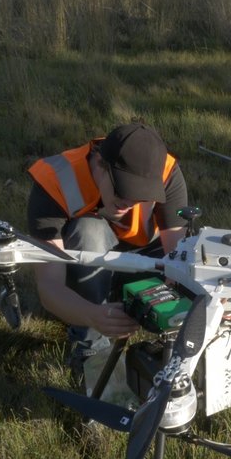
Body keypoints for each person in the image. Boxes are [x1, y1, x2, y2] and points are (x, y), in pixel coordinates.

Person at [25, 123, 188, 389]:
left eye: (141, 194)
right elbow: (49, 286)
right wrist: (92, 315)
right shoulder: (54, 181)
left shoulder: (165, 171)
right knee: (88, 231)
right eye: (124, 190)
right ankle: (90, 346)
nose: (131, 203)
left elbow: (179, 261)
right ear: (100, 164)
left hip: (145, 255)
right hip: (84, 267)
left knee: (193, 254)